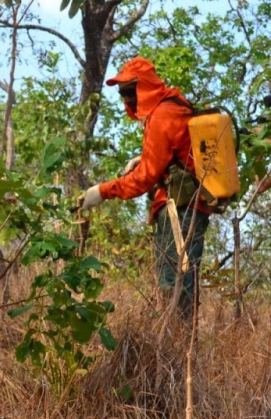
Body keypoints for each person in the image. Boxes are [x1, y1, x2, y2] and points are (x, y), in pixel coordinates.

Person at [78, 57, 209, 322]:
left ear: (144, 87)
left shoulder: (162, 115)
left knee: (176, 285)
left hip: (179, 211)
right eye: (122, 93)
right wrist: (142, 159)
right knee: (176, 282)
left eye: (130, 92)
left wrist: (102, 191)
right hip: (182, 207)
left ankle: (176, 351)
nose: (126, 100)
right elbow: (175, 154)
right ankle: (176, 347)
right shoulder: (172, 106)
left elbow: (145, 179)